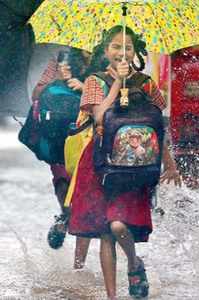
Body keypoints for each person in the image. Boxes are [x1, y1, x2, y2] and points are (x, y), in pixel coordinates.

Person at [66, 25, 181, 299]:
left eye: (128, 47)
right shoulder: (94, 81)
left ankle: (133, 262)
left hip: (136, 165)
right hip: (100, 165)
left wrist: (170, 164)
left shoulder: (145, 83)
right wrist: (118, 82)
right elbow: (98, 118)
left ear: (135, 51)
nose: (122, 52)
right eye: (116, 46)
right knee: (105, 232)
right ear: (106, 51)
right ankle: (112, 296)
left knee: (119, 226)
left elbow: (155, 125)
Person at [31, 48, 92, 269]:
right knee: (66, 191)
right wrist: (59, 78)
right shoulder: (60, 60)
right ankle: (65, 218)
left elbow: (116, 99)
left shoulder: (109, 63)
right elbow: (37, 95)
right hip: (59, 140)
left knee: (83, 199)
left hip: (90, 140)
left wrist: (86, 89)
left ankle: (78, 265)